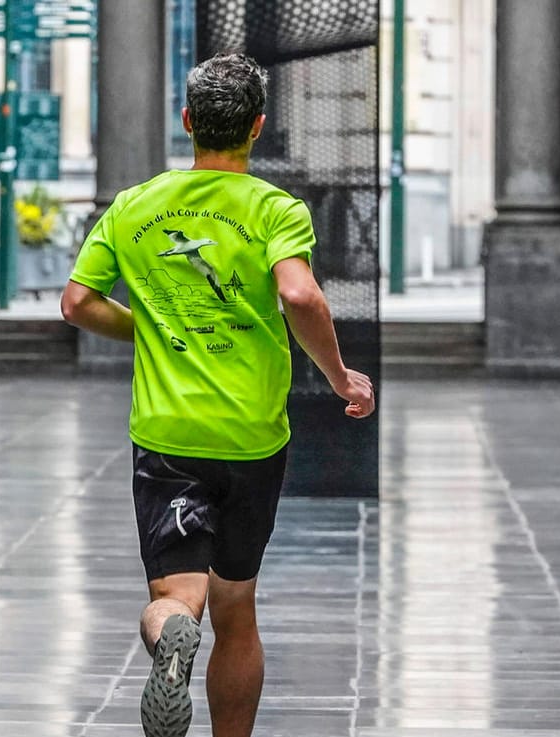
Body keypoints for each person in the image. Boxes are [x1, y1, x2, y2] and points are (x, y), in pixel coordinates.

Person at [60, 52, 374, 737]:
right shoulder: (273, 209)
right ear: (258, 127)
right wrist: (338, 376)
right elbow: (298, 292)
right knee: (237, 605)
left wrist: (142, 326)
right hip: (252, 438)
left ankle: (172, 634)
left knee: (177, 594)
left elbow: (78, 303)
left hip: (168, 434)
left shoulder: (135, 206)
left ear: (187, 123)